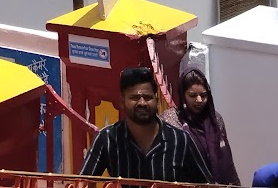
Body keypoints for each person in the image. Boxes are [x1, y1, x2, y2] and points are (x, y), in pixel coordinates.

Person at [79, 66, 211, 184]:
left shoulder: (180, 140)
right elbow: (82, 182)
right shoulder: (107, 139)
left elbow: (206, 185)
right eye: (134, 98)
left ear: (157, 101)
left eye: (148, 97)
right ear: (122, 102)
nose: (142, 103)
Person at [162, 67, 240, 186]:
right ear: (183, 95)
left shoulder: (215, 120)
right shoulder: (171, 119)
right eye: (192, 95)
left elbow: (227, 163)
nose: (199, 100)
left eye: (203, 95)